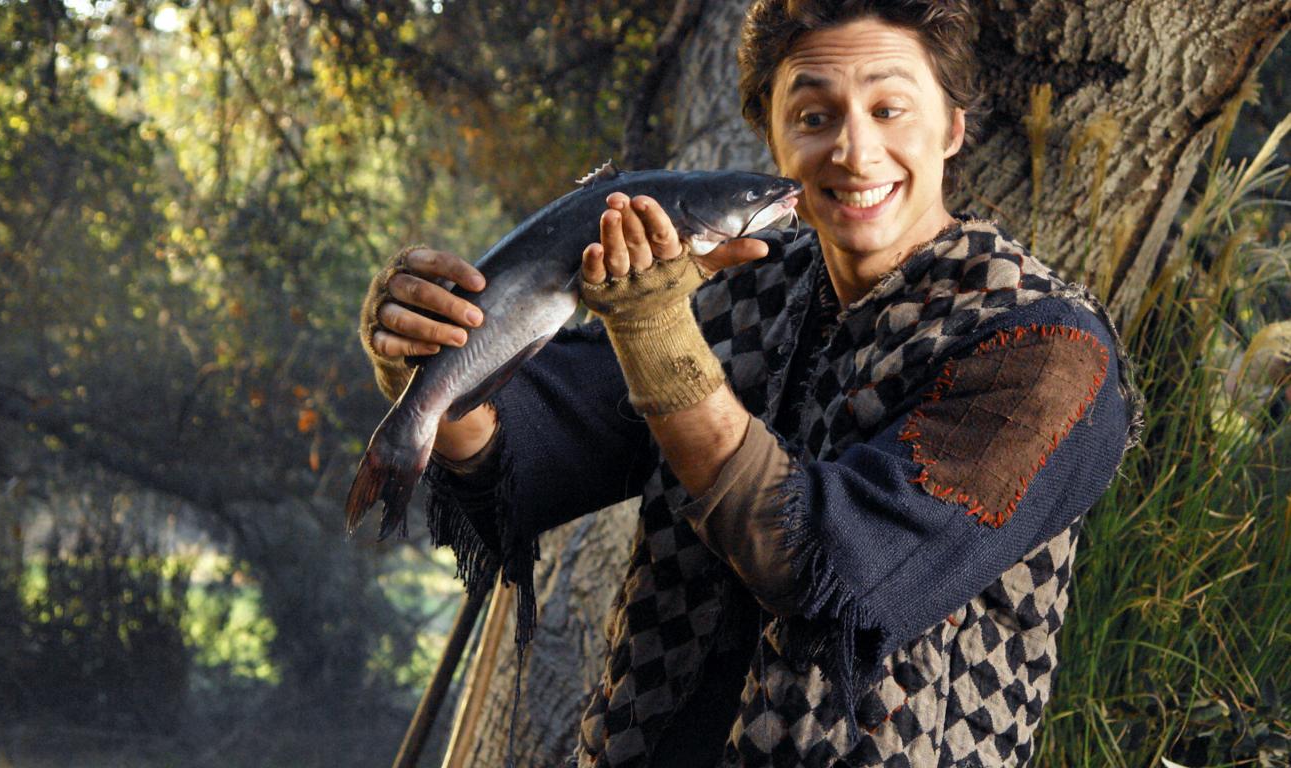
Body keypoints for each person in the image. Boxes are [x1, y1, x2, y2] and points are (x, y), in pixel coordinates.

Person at [359, 1, 1140, 764]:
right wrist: (432, 359)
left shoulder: (1049, 350)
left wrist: (656, 333)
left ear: (953, 127)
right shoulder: (738, 286)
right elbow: (530, 455)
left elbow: (835, 574)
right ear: (772, 135)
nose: (855, 152)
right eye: (813, 116)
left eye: (890, 109)